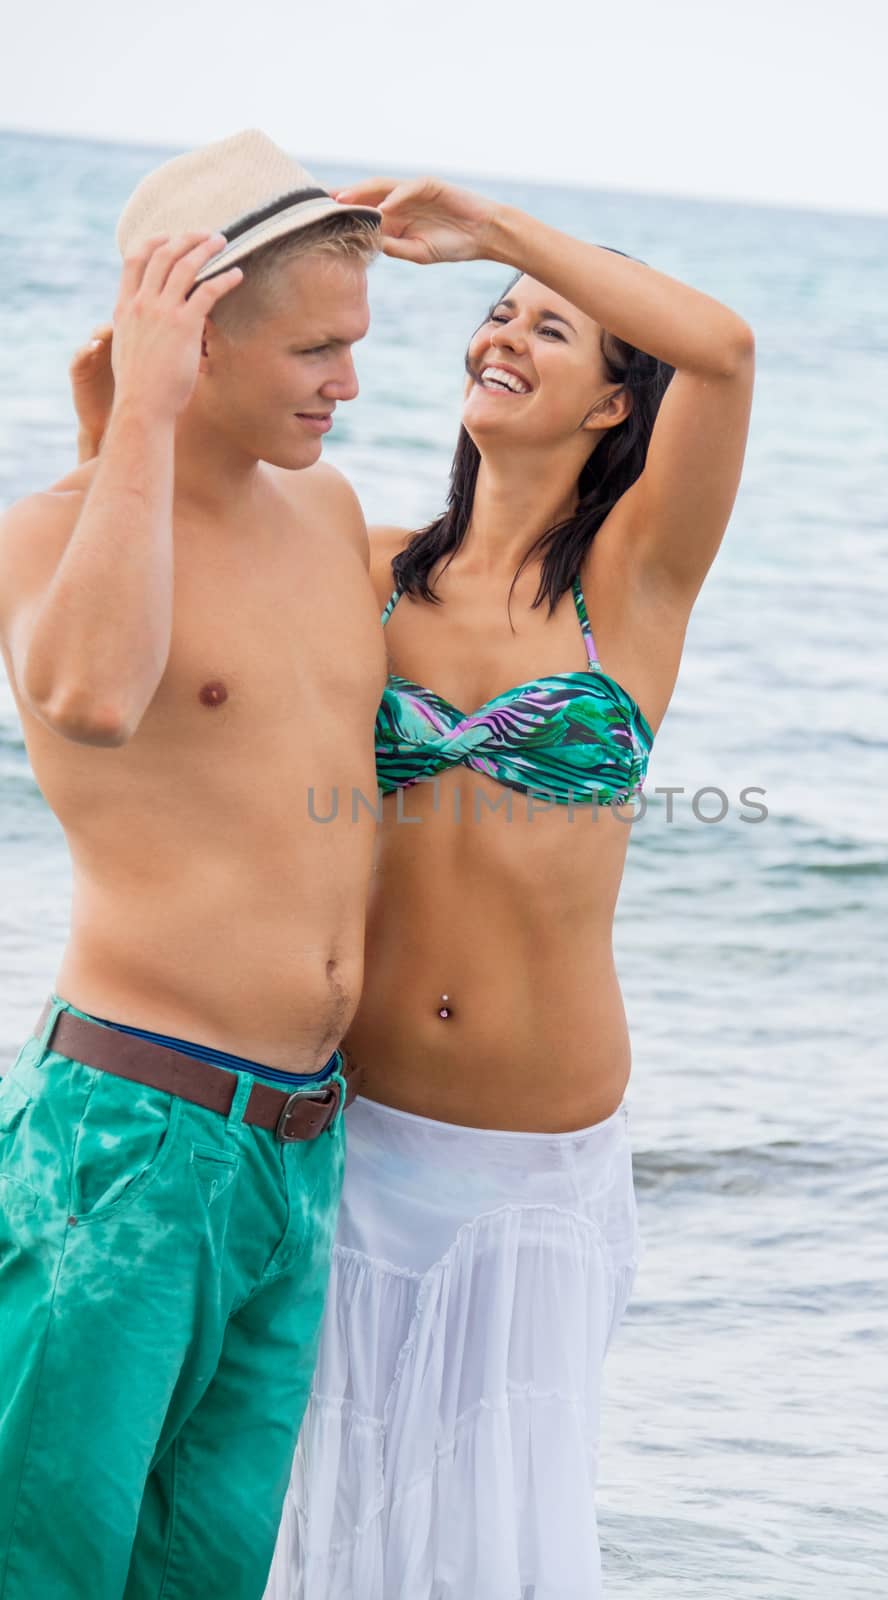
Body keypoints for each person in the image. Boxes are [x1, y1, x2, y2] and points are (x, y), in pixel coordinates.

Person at [72, 174, 755, 1599]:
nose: (498, 337)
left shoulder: (630, 586)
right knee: (336, 1536)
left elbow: (724, 350)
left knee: (495, 1543)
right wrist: (123, 403)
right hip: (353, 1141)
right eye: (494, 317)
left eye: (547, 332)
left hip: (534, 1173)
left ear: (613, 406)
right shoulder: (368, 568)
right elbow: (184, 589)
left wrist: (502, 233)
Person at [0, 130, 383, 1600]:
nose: (346, 384)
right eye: (314, 349)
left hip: (300, 1148)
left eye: (355, 346)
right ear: (194, 333)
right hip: (128, 1140)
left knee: (208, 1572)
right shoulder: (52, 536)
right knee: (47, 1563)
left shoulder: (331, 514)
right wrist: (136, 422)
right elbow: (93, 698)